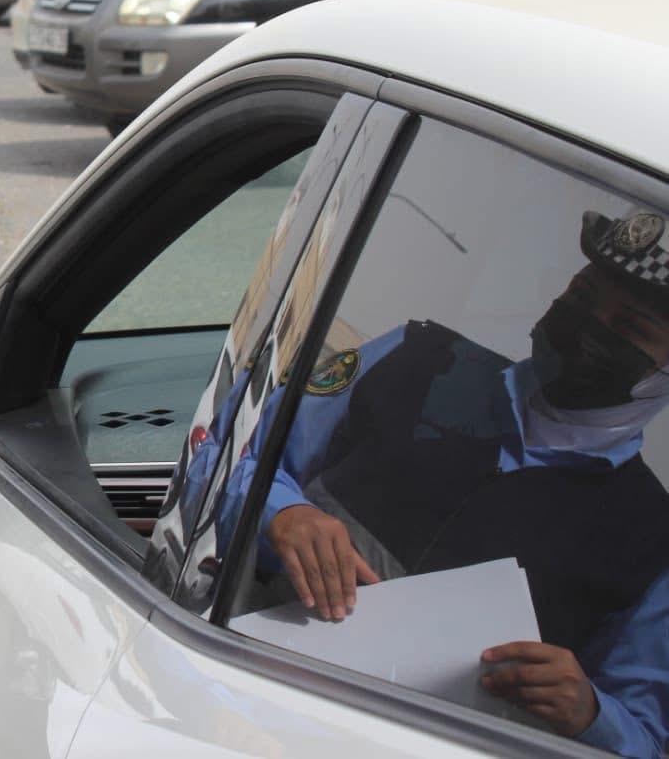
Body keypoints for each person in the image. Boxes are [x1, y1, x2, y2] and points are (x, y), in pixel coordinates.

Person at [217, 208, 669, 756]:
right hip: (239, 702)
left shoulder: (654, 542)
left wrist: (589, 714)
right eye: (581, 294)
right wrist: (281, 514)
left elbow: (645, 738)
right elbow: (221, 453)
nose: (589, 323)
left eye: (630, 327)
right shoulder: (414, 359)